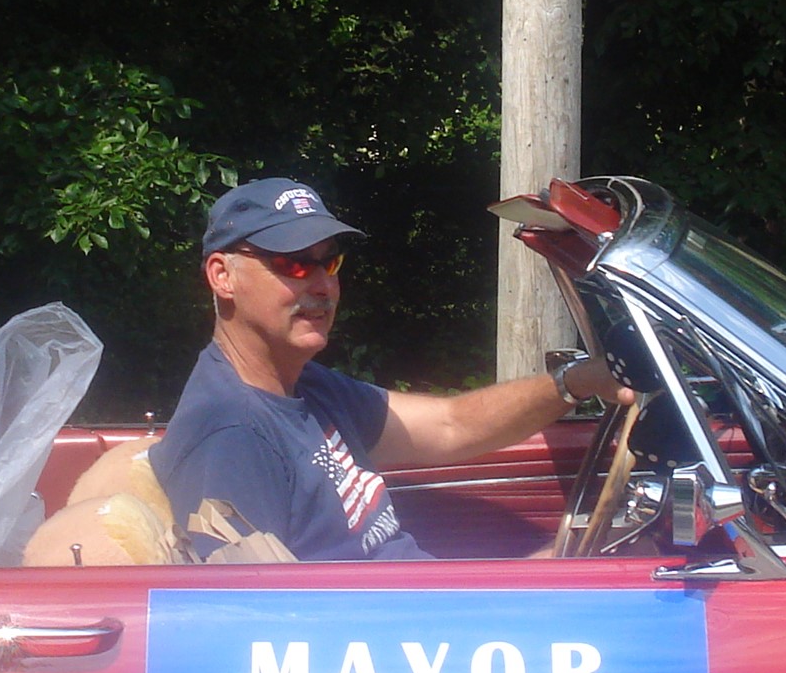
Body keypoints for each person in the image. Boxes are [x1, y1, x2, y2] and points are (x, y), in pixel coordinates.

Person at [155, 178, 632, 561]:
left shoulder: (302, 385)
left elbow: (452, 425)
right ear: (223, 276)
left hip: (420, 618)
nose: (324, 285)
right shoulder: (232, 433)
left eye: (330, 262)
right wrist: (531, 591)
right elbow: (263, 636)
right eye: (294, 264)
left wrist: (579, 380)